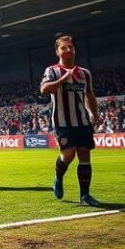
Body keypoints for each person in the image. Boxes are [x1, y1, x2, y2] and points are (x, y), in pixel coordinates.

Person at [40, 35, 102, 206]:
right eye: (63, 48)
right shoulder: (52, 70)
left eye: (70, 47)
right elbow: (44, 89)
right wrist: (62, 79)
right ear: (57, 51)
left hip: (83, 121)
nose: (67, 50)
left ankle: (85, 196)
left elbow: (89, 95)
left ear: (74, 50)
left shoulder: (85, 73)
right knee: (68, 154)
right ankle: (58, 177)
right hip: (62, 122)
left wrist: (95, 114)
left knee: (84, 155)